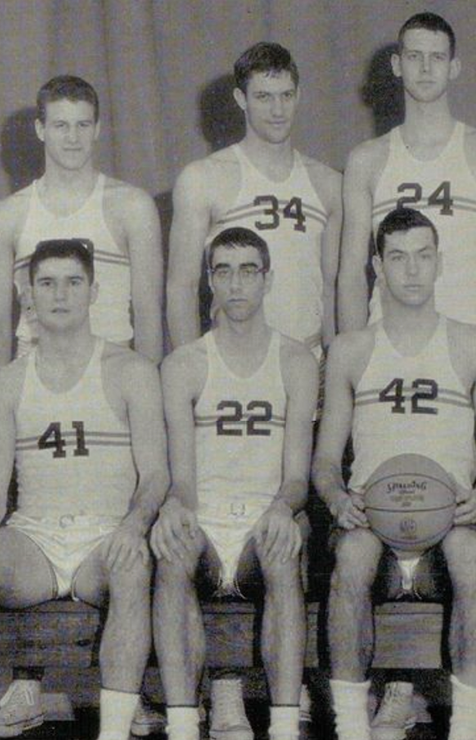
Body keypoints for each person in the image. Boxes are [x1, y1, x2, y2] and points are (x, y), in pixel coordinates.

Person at [0, 240, 168, 740]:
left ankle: (113, 731)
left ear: (94, 290)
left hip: (105, 539)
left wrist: (134, 525)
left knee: (133, 565)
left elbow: (156, 474)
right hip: (36, 541)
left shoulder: (131, 371)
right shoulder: (5, 383)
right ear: (28, 295)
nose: (60, 294)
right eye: (47, 283)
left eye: (73, 282)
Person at [316, 207, 476, 740]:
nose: (412, 270)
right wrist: (335, 499)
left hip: (451, 518)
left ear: (440, 262)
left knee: (470, 552)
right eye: (397, 258)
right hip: (373, 516)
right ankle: (352, 726)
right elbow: (326, 460)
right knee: (351, 554)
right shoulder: (352, 348)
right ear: (378, 266)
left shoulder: (472, 343)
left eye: (423, 256)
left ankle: (466, 725)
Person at [151, 227, 319, 740]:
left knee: (282, 547)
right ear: (209, 282)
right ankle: (183, 721)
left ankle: (285, 723)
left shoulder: (295, 361)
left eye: (249, 270)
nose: (236, 283)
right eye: (223, 271)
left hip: (263, 518)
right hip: (207, 520)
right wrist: (175, 509)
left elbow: (296, 477)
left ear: (267, 279)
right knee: (173, 548)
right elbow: (181, 479)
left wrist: (281, 510)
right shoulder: (184, 364)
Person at [338, 11, 476, 350]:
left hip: (470, 344)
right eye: (414, 57)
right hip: (387, 348)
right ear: (397, 64)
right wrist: (353, 361)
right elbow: (351, 272)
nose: (425, 69)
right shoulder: (367, 160)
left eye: (437, 57)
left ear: (454, 67)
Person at [166, 42, 342, 354]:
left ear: (298, 95)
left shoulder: (328, 183)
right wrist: (190, 374)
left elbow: (330, 290)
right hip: (234, 365)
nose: (278, 111)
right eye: (263, 97)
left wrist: (335, 371)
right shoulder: (203, 178)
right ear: (240, 99)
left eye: (286, 96)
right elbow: (182, 288)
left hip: (310, 363)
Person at [0, 74, 163, 372]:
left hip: (112, 371)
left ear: (97, 129)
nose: (73, 138)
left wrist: (146, 393)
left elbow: (148, 313)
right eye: (61, 126)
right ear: (41, 129)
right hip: (33, 373)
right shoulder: (7, 215)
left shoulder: (132, 206)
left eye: (83, 125)